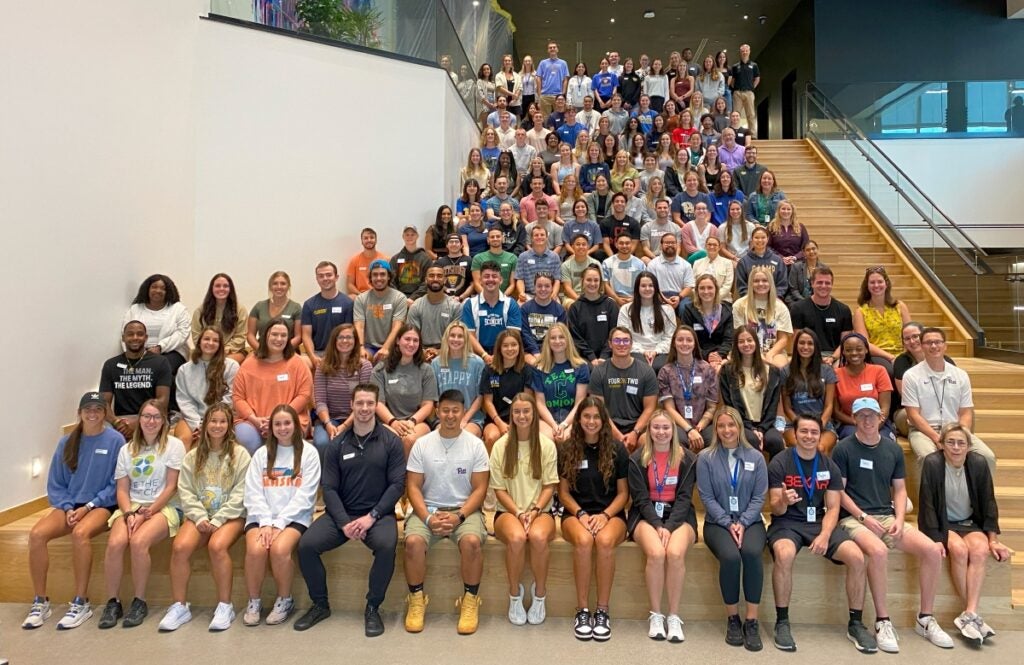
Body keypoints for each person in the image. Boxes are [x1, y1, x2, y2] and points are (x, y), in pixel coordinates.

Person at [833, 397, 954, 652]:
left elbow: (899, 490)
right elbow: (839, 492)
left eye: (871, 415)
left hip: (887, 516)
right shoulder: (843, 448)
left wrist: (899, 519)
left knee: (932, 550)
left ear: (881, 418)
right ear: (854, 419)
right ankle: (882, 620)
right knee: (878, 551)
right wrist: (863, 517)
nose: (867, 420)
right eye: (861, 415)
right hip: (853, 518)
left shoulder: (893, 449)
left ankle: (925, 618)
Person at [295, 384, 405, 635]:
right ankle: (320, 604)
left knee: (388, 546)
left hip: (377, 515)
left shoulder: (391, 441)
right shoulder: (337, 444)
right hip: (341, 515)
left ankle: (373, 608)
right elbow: (329, 489)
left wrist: (372, 517)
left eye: (370, 403)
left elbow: (397, 485)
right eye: (360, 403)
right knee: (306, 545)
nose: (365, 408)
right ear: (351, 405)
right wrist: (345, 523)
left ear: (376, 406)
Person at [767, 414, 876, 653]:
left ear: (820, 435)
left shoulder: (829, 466)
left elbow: (834, 507)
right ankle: (782, 621)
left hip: (818, 521)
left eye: (814, 432)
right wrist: (784, 500)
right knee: (783, 555)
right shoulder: (779, 462)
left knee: (857, 557)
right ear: (794, 434)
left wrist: (826, 534)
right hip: (787, 522)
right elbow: (774, 506)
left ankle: (855, 623)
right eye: (803, 431)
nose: (808, 436)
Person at [22, 392, 124, 631]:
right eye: (87, 409)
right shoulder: (66, 442)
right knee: (37, 535)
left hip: (101, 505)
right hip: (70, 505)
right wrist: (68, 507)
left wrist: (89, 506)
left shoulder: (116, 440)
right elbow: (56, 484)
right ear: (79, 413)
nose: (92, 413)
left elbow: (116, 483)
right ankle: (40, 601)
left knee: (80, 534)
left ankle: (81, 601)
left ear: (104, 413)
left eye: (98, 409)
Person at [403, 390, 490, 635]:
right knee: (412, 542)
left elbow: (480, 489)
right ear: (437, 411)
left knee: (472, 541)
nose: (450, 415)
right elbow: (413, 487)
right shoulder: (422, 444)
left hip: (465, 511)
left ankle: (471, 601)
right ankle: (416, 600)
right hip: (428, 508)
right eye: (445, 410)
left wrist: (460, 516)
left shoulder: (475, 445)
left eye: (455, 410)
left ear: (463, 412)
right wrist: (429, 518)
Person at [159, 403, 251, 632]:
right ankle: (180, 606)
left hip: (231, 515)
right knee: (180, 547)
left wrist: (219, 520)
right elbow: (186, 491)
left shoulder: (240, 455)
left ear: (229, 425)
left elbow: (242, 492)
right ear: (205, 424)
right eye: (213, 421)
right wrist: (200, 517)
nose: (217, 425)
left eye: (222, 421)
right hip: (201, 515)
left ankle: (224, 606)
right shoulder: (192, 456)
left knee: (217, 546)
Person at [918, 424, 1010, 644]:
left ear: (969, 447)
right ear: (941, 445)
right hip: (943, 523)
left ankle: (969, 613)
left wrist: (993, 540)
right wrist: (937, 539)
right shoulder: (932, 463)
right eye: (950, 442)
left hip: (969, 522)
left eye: (961, 443)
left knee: (980, 550)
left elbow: (988, 502)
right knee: (958, 550)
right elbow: (927, 505)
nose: (956, 447)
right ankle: (970, 615)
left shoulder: (978, 464)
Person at [98, 400, 184, 629]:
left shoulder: (174, 446)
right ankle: (113, 601)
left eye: (156, 416)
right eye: (146, 416)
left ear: (164, 421)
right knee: (116, 543)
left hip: (164, 507)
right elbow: (122, 489)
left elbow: (171, 487)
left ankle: (139, 600)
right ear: (139, 419)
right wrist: (128, 514)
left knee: (138, 542)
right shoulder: (127, 449)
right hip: (132, 507)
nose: (151, 421)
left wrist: (149, 512)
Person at [241, 405, 321, 627]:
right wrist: (266, 522)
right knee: (256, 550)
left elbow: (306, 495)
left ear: (296, 425)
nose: (283, 428)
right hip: (261, 516)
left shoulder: (309, 453)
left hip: (295, 517)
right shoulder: (260, 454)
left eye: (287, 423)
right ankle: (254, 601)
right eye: (278, 424)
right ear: (271, 428)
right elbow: (253, 492)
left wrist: (279, 523)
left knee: (279, 549)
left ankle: (285, 599)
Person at [697, 406, 768, 651]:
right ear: (716, 429)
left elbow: (760, 497)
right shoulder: (705, 458)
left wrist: (743, 522)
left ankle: (751, 620)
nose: (727, 430)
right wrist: (729, 523)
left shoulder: (756, 457)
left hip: (752, 522)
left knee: (750, 553)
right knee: (730, 557)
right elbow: (706, 497)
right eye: (721, 425)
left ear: (739, 427)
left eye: (731, 425)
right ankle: (733, 619)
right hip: (717, 523)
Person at [557, 397, 629, 641]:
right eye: (586, 416)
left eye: (596, 417)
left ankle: (602, 611)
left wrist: (606, 515)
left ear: (603, 420)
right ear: (578, 419)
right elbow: (563, 493)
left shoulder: (617, 449)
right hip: (576, 514)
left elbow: (623, 495)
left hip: (611, 513)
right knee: (585, 541)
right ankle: (583, 610)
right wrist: (580, 513)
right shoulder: (568, 448)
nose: (591, 421)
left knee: (605, 542)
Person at [627, 409, 698, 642]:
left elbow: (685, 498)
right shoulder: (637, 459)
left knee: (675, 553)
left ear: (674, 431)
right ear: (649, 430)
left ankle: (674, 616)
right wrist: (658, 524)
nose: (661, 432)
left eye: (666, 428)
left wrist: (669, 526)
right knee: (657, 553)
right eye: (656, 427)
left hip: (678, 514)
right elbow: (640, 499)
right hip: (646, 515)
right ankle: (656, 615)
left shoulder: (687, 458)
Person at [489, 392, 558, 625]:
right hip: (508, 511)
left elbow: (550, 486)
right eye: (517, 412)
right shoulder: (501, 445)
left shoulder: (546, 445)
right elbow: (499, 489)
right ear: (511, 415)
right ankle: (514, 594)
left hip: (541, 511)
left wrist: (535, 510)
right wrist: (519, 513)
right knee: (517, 538)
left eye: (526, 411)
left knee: (538, 537)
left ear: (534, 414)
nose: (521, 416)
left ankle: (539, 594)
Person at [903, 327, 997, 474]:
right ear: (921, 346)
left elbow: (965, 412)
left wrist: (960, 435)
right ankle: (932, 498)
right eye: (928, 343)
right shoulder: (911, 376)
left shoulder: (960, 375)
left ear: (945, 346)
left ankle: (981, 497)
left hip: (955, 429)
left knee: (987, 456)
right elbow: (913, 415)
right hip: (925, 431)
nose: (933, 346)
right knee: (928, 457)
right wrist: (937, 438)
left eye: (937, 342)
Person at [232, 318, 313, 454]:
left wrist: (279, 418)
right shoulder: (249, 364)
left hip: (289, 419)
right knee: (248, 440)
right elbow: (238, 397)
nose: (279, 339)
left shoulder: (298, 363)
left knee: (286, 440)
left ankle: (285, 476)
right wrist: (255, 419)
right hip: (253, 420)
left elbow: (304, 394)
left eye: (283, 335)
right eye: (274, 334)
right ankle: (256, 475)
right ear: (265, 336)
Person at [121, 274, 190, 405]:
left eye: (162, 288)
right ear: (147, 289)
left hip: (171, 351)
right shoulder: (135, 309)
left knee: (160, 368)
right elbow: (125, 332)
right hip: (139, 352)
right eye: (154, 287)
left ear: (168, 291)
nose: (158, 290)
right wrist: (131, 353)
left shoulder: (178, 309)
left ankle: (168, 409)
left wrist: (160, 347)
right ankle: (139, 409)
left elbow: (182, 333)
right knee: (127, 371)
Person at [717, 325, 785, 458]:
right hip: (741, 423)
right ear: (736, 345)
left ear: (756, 342)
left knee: (775, 441)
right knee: (751, 440)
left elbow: (773, 405)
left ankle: (774, 477)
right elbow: (730, 405)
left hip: (765, 424)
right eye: (741, 341)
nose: (746, 344)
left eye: (749, 340)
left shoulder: (772, 371)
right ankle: (751, 478)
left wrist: (761, 429)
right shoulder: (728, 371)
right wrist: (751, 429)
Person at [589, 327, 658, 451]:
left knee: (646, 442)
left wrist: (635, 433)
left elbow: (650, 408)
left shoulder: (646, 371)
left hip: (638, 427)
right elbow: (598, 408)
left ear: (631, 344)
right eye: (617, 341)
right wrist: (618, 436)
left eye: (626, 341)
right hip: (608, 425)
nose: (622, 344)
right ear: (610, 344)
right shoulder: (599, 372)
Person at [372, 324, 438, 456]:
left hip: (417, 422)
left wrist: (411, 422)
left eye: (415, 340)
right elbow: (378, 403)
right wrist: (393, 422)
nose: (411, 344)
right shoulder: (380, 369)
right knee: (391, 439)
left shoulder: (426, 370)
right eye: (407, 339)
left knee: (409, 439)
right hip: (388, 422)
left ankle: (408, 476)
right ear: (397, 341)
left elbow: (428, 405)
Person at [100, 320, 172, 439]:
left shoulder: (160, 362)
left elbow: (162, 401)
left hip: (152, 417)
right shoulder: (111, 365)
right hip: (121, 421)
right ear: (123, 338)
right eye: (130, 334)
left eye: (139, 334)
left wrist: (139, 421)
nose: (135, 337)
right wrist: (116, 422)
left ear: (146, 337)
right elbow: (103, 402)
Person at [173, 326, 240, 450]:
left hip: (222, 417)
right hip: (192, 418)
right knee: (182, 441)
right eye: (206, 339)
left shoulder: (231, 367)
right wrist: (197, 424)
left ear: (220, 345)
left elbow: (230, 397)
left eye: (215, 340)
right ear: (199, 342)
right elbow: (184, 401)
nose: (210, 343)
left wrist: (212, 422)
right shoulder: (184, 369)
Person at [312, 324, 373, 452]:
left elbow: (364, 402)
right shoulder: (322, 366)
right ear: (334, 341)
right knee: (322, 443)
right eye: (340, 337)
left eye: (349, 337)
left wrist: (345, 425)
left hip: (359, 418)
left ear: (355, 341)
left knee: (357, 444)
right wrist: (328, 424)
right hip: (329, 419)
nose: (345, 341)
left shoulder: (365, 366)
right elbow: (320, 401)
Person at [658, 325, 718, 450]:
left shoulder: (707, 369)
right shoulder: (666, 371)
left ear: (695, 344)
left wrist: (700, 426)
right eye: (680, 340)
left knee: (714, 438)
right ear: (674, 343)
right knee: (678, 440)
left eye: (689, 340)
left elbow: (712, 407)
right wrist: (689, 429)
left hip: (703, 424)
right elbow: (669, 408)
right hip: (678, 424)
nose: (684, 343)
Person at [781, 329, 838, 452]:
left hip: (823, 424)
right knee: (801, 448)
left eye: (810, 343)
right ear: (796, 345)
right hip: (795, 424)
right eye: (801, 343)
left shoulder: (827, 370)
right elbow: (787, 408)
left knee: (820, 448)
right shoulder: (786, 371)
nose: (805, 347)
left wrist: (818, 426)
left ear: (816, 346)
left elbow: (829, 406)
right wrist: (801, 426)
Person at [531, 323, 590, 442]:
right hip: (546, 420)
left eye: (561, 337)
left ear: (568, 340)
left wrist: (564, 425)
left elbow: (580, 402)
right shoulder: (539, 367)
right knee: (547, 440)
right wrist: (553, 425)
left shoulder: (581, 366)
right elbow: (540, 403)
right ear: (548, 341)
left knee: (566, 438)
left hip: (573, 418)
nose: (557, 341)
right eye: (553, 338)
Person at [481, 329, 537, 451]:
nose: (510, 349)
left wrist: (517, 422)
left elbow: (527, 401)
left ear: (519, 347)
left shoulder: (527, 370)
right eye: (505, 345)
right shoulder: (489, 370)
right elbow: (487, 402)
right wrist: (499, 423)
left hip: (521, 418)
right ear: (499, 348)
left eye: (513, 345)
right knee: (492, 437)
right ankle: (490, 469)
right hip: (495, 419)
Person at [834, 333, 894, 440]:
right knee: (854, 440)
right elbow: (836, 412)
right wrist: (859, 423)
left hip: (879, 422)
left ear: (866, 350)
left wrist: (874, 425)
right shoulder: (835, 374)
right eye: (848, 350)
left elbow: (885, 407)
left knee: (882, 442)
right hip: (850, 424)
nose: (854, 353)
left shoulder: (879, 370)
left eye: (859, 349)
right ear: (843, 352)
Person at [462, 260, 523, 365]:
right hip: (478, 355)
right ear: (480, 280)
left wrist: (498, 356)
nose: (490, 279)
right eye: (486, 276)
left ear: (501, 280)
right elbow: (469, 336)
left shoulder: (511, 304)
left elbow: (513, 335)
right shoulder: (470, 304)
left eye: (494, 276)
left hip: (505, 354)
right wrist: (484, 355)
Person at [431, 321, 486, 438]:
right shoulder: (436, 363)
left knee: (464, 437)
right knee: (441, 437)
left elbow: (480, 397)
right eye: (452, 335)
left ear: (466, 339)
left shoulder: (477, 363)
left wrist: (464, 420)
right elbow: (434, 398)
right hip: (444, 417)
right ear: (446, 338)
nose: (456, 339)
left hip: (471, 418)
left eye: (460, 336)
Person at [853, 266, 912, 375]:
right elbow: (864, 343)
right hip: (878, 355)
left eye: (880, 282)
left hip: (903, 353)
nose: (876, 285)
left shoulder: (900, 306)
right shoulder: (860, 312)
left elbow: (910, 334)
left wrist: (905, 355)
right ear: (867, 285)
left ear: (886, 283)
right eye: (872, 282)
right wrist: (890, 357)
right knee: (889, 371)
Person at [732, 265, 793, 369]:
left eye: (765, 280)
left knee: (780, 368)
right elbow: (739, 336)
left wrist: (769, 355)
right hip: (745, 350)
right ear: (751, 283)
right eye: (756, 281)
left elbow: (783, 339)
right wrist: (758, 356)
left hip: (774, 352)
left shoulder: (781, 307)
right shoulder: (739, 305)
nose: (760, 284)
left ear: (770, 283)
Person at [789, 267, 853, 363]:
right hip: (807, 355)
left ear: (832, 285)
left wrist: (832, 358)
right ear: (812, 283)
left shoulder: (844, 310)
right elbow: (798, 342)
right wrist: (816, 359)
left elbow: (845, 343)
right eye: (819, 282)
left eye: (827, 283)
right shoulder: (798, 308)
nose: (823, 286)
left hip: (835, 357)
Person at [618, 271, 676, 372]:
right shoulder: (626, 309)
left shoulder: (667, 310)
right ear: (637, 288)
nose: (647, 289)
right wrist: (643, 351)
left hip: (661, 351)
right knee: (640, 367)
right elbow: (624, 337)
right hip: (635, 350)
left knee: (660, 367)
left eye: (651, 285)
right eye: (643, 286)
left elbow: (670, 337)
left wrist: (656, 351)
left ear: (656, 288)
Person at [301, 261, 354, 371]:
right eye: (321, 276)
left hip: (341, 353)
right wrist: (312, 357)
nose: (325, 278)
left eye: (329, 275)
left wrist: (337, 356)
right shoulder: (309, 304)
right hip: (317, 353)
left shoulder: (348, 303)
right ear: (317, 279)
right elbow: (306, 335)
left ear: (336, 277)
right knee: (301, 363)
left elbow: (348, 335)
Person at [354, 259, 409, 362]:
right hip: (368, 346)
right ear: (370, 277)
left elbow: (397, 327)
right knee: (362, 361)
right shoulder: (361, 299)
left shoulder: (399, 298)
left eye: (382, 274)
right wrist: (360, 348)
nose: (379, 278)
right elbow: (359, 326)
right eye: (375, 275)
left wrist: (385, 348)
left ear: (389, 277)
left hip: (392, 346)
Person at [408, 263, 463, 359]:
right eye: (431, 276)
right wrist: (422, 353)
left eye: (439, 276)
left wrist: (440, 352)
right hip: (420, 352)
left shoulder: (455, 306)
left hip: (449, 352)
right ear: (425, 280)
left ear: (445, 280)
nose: (435, 279)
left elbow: (457, 338)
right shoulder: (416, 306)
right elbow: (411, 337)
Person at [191, 273, 248, 364]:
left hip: (232, 352)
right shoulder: (200, 310)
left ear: (230, 289)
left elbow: (240, 337)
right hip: (207, 350)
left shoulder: (240, 310)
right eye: (217, 286)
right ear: (212, 289)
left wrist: (221, 350)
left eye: (225, 286)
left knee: (225, 364)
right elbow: (196, 335)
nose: (221, 289)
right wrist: (209, 349)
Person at [679, 274, 734, 370]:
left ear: (716, 290)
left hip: (721, 356)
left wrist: (719, 355)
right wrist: (705, 356)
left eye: (710, 288)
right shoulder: (689, 310)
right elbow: (687, 339)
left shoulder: (727, 311)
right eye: (702, 288)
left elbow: (728, 340)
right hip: (696, 355)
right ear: (697, 291)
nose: (706, 291)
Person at [568, 265, 620, 366]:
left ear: (600, 282)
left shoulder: (610, 305)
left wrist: (604, 356)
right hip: (584, 357)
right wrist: (591, 357)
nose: (592, 283)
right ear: (582, 281)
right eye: (589, 280)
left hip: (608, 355)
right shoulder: (575, 308)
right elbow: (576, 338)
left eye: (596, 280)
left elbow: (614, 333)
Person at [247, 271, 303, 358]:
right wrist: (261, 350)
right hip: (261, 351)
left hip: (288, 352)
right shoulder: (259, 306)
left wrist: (281, 350)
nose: (279, 287)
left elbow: (299, 336)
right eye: (275, 283)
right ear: (270, 286)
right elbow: (250, 335)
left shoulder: (296, 307)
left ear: (288, 286)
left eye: (283, 284)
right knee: (247, 365)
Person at [647, 234, 695, 313]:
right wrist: (663, 299)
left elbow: (689, 286)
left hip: (680, 296)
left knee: (686, 308)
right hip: (658, 295)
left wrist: (679, 297)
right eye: (667, 243)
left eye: (672, 243)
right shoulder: (652, 264)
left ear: (677, 245)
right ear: (661, 245)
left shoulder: (686, 265)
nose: (670, 245)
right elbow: (651, 286)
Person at [735, 226, 788, 298]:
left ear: (767, 239)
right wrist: (753, 299)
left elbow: (782, 285)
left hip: (774, 300)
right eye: (756, 237)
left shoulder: (778, 260)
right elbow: (741, 286)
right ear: (752, 240)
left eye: (763, 237)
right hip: (750, 301)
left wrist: (773, 298)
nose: (760, 240)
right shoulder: (743, 262)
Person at [515, 226, 562, 301]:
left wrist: (554, 293)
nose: (539, 237)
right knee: (520, 308)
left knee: (558, 309)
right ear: (532, 238)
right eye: (536, 235)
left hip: (549, 295)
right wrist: (521, 293)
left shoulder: (554, 256)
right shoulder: (523, 256)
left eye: (542, 235)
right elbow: (520, 279)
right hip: (529, 295)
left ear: (547, 238)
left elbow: (557, 279)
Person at [602, 234, 646, 307]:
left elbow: (644, 284)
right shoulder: (607, 263)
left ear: (631, 244)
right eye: (621, 243)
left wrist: (634, 299)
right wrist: (617, 299)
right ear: (616, 245)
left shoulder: (640, 264)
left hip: (635, 300)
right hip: (613, 301)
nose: (624, 246)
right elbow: (605, 285)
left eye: (627, 243)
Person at [391, 226, 432, 302]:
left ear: (417, 236)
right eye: (407, 234)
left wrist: (413, 298)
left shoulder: (426, 259)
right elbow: (391, 281)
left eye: (412, 234)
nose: (410, 237)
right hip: (398, 300)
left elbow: (427, 281)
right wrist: (400, 298)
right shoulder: (395, 259)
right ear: (403, 236)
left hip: (420, 299)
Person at [560, 232, 601, 304]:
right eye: (578, 244)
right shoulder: (565, 265)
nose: (581, 247)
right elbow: (567, 288)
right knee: (571, 305)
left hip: (592, 295)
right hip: (572, 297)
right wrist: (581, 301)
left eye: (584, 244)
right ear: (572, 247)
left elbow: (601, 286)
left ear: (588, 246)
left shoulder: (596, 263)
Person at [346, 228, 389, 297]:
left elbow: (390, 281)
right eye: (366, 238)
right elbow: (349, 284)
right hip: (361, 295)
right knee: (351, 297)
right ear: (362, 241)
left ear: (376, 240)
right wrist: (360, 295)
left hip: (380, 294)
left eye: (372, 237)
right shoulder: (355, 260)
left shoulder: (385, 260)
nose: (369, 240)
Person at [692, 236, 735, 304]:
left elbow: (727, 285)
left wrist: (714, 298)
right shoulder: (697, 263)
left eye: (715, 245)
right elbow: (693, 284)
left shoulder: (727, 263)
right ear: (705, 246)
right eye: (709, 244)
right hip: (700, 300)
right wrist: (702, 297)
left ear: (719, 247)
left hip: (722, 300)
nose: (712, 247)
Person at [729, 44, 760, 135]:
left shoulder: (754, 65)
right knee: (735, 115)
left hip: (749, 93)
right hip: (737, 92)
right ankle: (734, 132)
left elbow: (757, 78)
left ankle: (753, 134)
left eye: (746, 51)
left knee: (751, 114)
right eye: (743, 51)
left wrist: (752, 87)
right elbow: (732, 80)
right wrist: (735, 88)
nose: (744, 52)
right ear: (740, 52)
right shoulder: (735, 66)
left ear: (749, 51)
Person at [785, 239, 827, 305]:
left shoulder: (824, 268)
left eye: (813, 249)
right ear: (803, 253)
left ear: (818, 250)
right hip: (797, 300)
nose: (811, 251)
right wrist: (805, 302)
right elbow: (793, 289)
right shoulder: (796, 267)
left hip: (817, 300)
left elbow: (825, 287)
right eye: (808, 250)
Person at [436, 234, 475, 301]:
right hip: (443, 301)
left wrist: (461, 297)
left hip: (464, 300)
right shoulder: (439, 263)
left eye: (456, 242)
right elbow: (436, 283)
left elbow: (473, 283)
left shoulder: (469, 260)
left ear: (461, 245)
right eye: (451, 242)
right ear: (447, 245)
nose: (454, 244)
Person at [536, 41, 569, 116]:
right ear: (548, 50)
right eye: (550, 48)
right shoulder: (543, 63)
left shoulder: (563, 63)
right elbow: (538, 79)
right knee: (545, 118)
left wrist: (563, 94)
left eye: (554, 47)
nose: (552, 49)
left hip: (558, 95)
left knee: (559, 117)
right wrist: (539, 94)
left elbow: (565, 79)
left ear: (557, 49)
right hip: (545, 95)